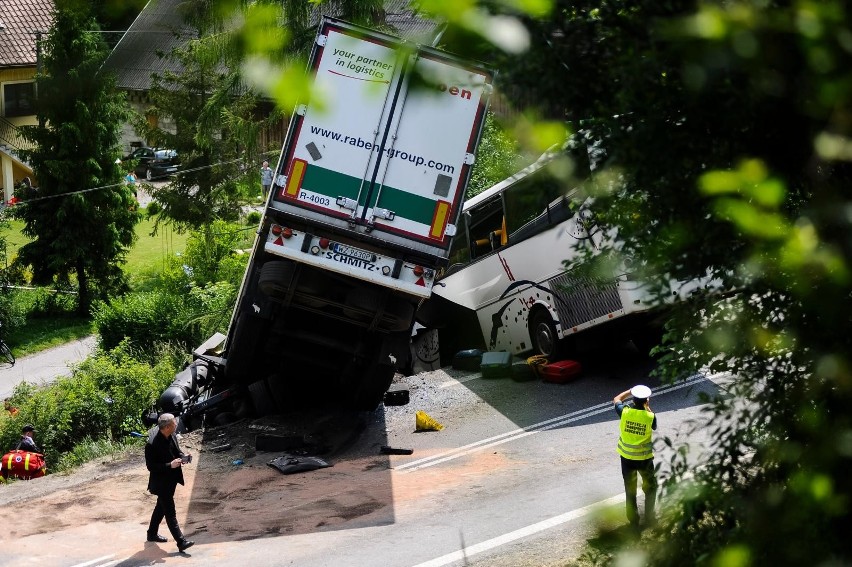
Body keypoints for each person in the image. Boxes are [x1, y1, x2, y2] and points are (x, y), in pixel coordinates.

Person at [144, 413, 194, 552]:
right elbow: (151, 467)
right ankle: (181, 542)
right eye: (174, 423)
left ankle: (152, 533)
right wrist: (169, 465)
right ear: (166, 427)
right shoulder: (152, 444)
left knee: (160, 507)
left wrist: (183, 456)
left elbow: (175, 451)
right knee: (170, 512)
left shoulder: (171, 435)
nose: (176, 424)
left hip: (171, 480)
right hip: (161, 483)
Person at [613, 384, 658, 532]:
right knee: (651, 488)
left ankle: (633, 522)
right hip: (644, 460)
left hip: (626, 459)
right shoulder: (650, 416)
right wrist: (647, 407)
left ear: (633, 399)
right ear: (646, 401)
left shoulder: (625, 412)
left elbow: (617, 399)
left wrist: (631, 390)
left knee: (630, 491)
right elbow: (654, 426)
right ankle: (650, 518)